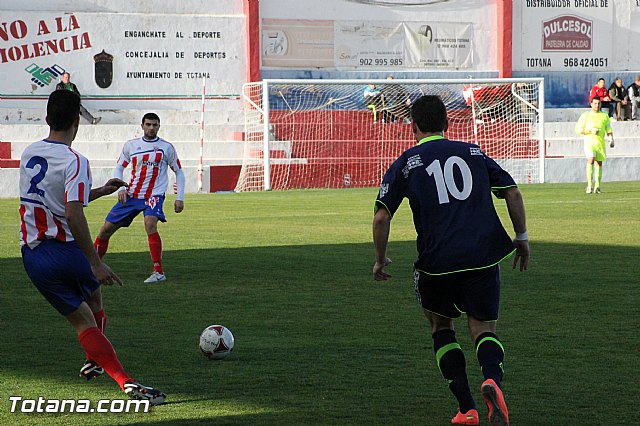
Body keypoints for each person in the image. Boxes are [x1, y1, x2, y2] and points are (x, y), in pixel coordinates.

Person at [372, 95, 529, 426]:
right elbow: (512, 192)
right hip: (482, 257)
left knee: (441, 327)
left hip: (436, 262)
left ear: (413, 127)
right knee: (484, 328)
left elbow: (381, 217)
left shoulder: (407, 161)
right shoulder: (472, 151)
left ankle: (467, 409)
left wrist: (380, 258)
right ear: (448, 124)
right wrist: (522, 239)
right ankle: (491, 380)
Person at [19, 89, 166, 405]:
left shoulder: (29, 153)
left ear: (47, 118)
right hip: (66, 251)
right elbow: (72, 212)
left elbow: (56, 199)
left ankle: (94, 359)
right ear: (77, 121)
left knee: (90, 302)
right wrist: (95, 262)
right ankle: (126, 382)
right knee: (90, 313)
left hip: (33, 255)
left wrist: (99, 190)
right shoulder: (75, 160)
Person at [94, 112, 185, 283]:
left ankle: (158, 272)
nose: (151, 128)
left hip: (154, 195)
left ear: (159, 126)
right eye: (148, 124)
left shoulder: (167, 147)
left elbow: (179, 172)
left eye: (155, 125)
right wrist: (120, 187)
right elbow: (119, 167)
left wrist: (179, 197)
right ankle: (92, 266)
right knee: (105, 230)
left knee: (150, 223)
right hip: (132, 194)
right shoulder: (131, 145)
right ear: (142, 126)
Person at [575, 96, 615, 194]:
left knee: (599, 163)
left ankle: (597, 186)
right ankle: (589, 185)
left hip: (600, 143)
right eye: (595, 103)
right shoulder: (585, 115)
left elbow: (608, 129)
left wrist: (611, 138)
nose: (597, 105)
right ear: (591, 104)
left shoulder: (604, 116)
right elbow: (578, 130)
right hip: (589, 142)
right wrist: (590, 131)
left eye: (598, 103)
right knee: (591, 159)